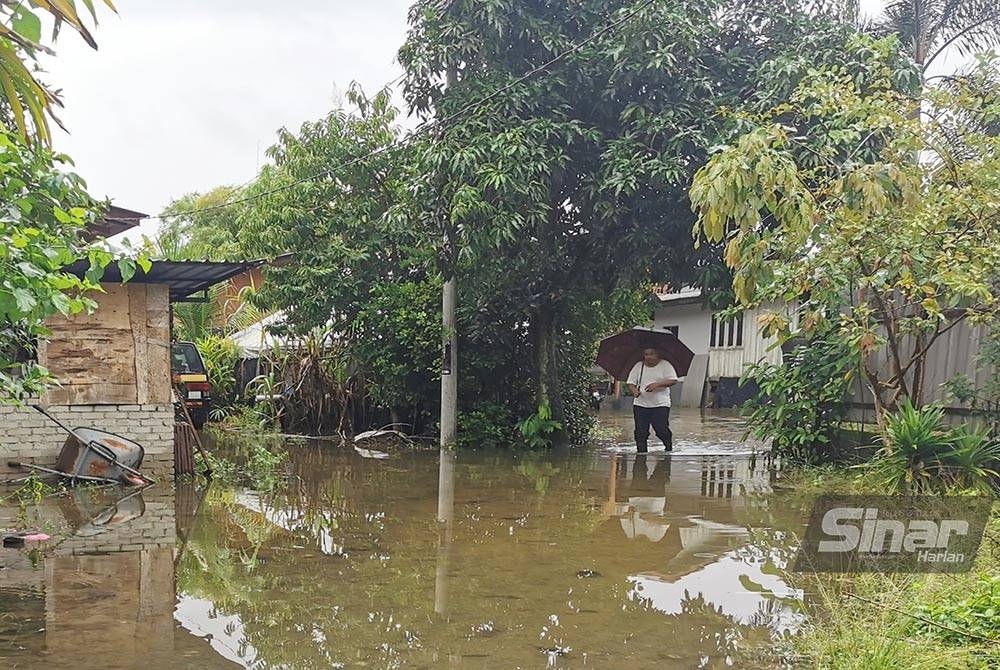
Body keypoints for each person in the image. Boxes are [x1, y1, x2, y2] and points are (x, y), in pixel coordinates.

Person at [626, 347, 678, 452]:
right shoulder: (638, 366)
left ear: (657, 354)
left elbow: (673, 380)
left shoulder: (665, 365)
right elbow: (631, 382)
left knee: (661, 429)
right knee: (640, 432)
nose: (648, 357)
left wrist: (657, 384)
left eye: (651, 354)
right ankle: (641, 456)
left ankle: (668, 447)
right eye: (646, 354)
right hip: (640, 403)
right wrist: (634, 391)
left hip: (660, 404)